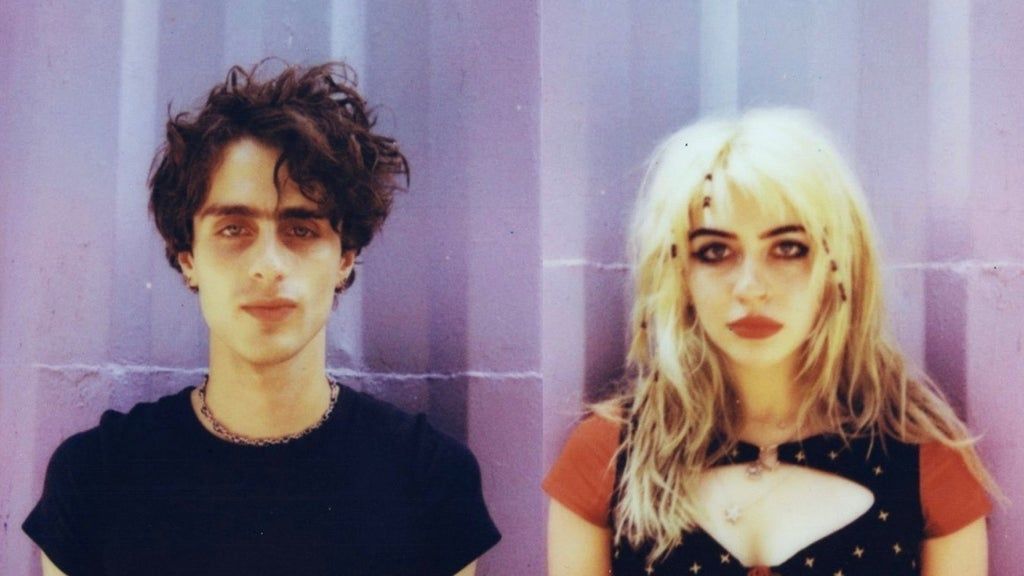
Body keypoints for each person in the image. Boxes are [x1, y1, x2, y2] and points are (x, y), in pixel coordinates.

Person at [23, 61, 500, 576]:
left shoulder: (430, 480)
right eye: (233, 229)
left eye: (301, 229)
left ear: (345, 257)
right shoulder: (95, 480)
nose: (268, 266)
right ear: (188, 256)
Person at [544, 109, 997, 576]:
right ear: (679, 274)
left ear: (838, 267)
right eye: (715, 251)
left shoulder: (922, 463)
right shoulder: (608, 456)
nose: (751, 287)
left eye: (788, 248)